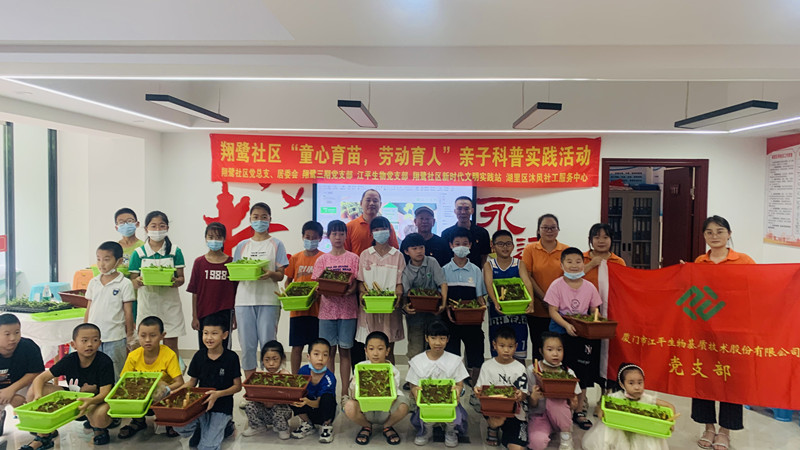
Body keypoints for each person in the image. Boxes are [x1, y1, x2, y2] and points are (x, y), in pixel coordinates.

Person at [692, 215, 753, 450]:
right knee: (703, 376)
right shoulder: (700, 261)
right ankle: (708, 427)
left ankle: (725, 431)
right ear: (704, 236)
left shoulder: (743, 261)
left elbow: (758, 287)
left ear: (729, 234)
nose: (714, 236)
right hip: (705, 328)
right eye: (709, 232)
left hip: (733, 330)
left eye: (719, 231)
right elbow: (694, 294)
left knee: (730, 378)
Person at [27, 324, 115, 447]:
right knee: (33, 391)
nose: (90, 344)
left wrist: (89, 401)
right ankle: (44, 436)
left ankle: (99, 429)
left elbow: (105, 393)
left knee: (100, 416)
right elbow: (40, 378)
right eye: (84, 340)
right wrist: (38, 396)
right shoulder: (70, 360)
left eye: (95, 340)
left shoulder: (104, 361)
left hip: (95, 402)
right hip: (74, 399)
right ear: (73, 344)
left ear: (100, 343)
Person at [544, 247, 602, 431]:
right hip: (560, 334)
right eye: (569, 262)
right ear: (562, 265)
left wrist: (595, 321)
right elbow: (553, 311)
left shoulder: (589, 287)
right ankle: (559, 408)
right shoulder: (556, 285)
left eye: (578, 261)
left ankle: (579, 411)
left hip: (583, 335)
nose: (574, 265)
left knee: (582, 374)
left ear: (583, 264)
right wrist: (567, 326)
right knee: (560, 372)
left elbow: (594, 310)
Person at [232, 202, 289, 383]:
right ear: (250, 219)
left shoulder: (276, 244)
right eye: (256, 217)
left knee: (268, 346)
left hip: (268, 301)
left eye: (264, 217)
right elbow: (235, 273)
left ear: (270, 219)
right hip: (244, 301)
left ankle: (268, 386)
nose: (260, 220)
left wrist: (271, 274)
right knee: (247, 347)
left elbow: (281, 275)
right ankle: (251, 387)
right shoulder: (242, 245)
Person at [173, 314, 242, 450]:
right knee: (179, 424)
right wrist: (175, 393)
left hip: (222, 407)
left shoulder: (231, 357)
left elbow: (237, 386)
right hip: (200, 405)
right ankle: (201, 428)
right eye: (205, 333)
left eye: (214, 333)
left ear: (224, 335)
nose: (209, 338)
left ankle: (226, 426)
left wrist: (218, 394)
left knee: (207, 447)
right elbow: (192, 382)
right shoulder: (199, 356)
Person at [312, 219, 360, 397]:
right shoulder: (322, 259)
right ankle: (329, 390)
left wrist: (351, 290)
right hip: (327, 312)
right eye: (334, 234)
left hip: (348, 312)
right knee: (328, 352)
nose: (338, 237)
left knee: (345, 351)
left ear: (346, 236)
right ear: (329, 236)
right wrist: (322, 289)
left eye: (341, 233)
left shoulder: (354, 258)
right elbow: (317, 285)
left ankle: (345, 392)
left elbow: (356, 283)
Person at [128, 210, 186, 355]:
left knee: (171, 346)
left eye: (162, 226)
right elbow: (133, 281)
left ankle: (172, 370)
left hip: (170, 304)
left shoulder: (175, 251)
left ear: (167, 228)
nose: (158, 229)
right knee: (147, 344)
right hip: (147, 304)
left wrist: (175, 281)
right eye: (153, 226)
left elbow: (181, 278)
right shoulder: (139, 253)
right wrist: (139, 281)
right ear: (146, 229)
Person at [117, 316, 185, 439]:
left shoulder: (169, 355)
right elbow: (123, 381)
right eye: (143, 336)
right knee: (129, 388)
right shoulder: (133, 356)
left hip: (162, 396)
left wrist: (166, 389)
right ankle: (138, 421)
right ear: (138, 335)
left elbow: (179, 382)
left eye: (153, 335)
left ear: (162, 336)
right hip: (141, 394)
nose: (147, 340)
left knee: (162, 385)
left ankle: (169, 421)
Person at [582, 362, 675, 450]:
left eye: (640, 382)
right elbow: (601, 406)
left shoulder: (647, 399)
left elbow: (670, 406)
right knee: (608, 435)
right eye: (631, 383)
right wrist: (600, 411)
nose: (637, 387)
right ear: (622, 384)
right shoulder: (616, 397)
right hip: (619, 430)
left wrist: (671, 423)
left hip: (640, 430)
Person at [406, 320, 470, 447]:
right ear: (426, 338)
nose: (437, 342)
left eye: (442, 338)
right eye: (433, 338)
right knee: (426, 415)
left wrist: (458, 390)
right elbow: (413, 385)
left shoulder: (454, 360)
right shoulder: (418, 361)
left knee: (453, 415)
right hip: (427, 404)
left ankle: (450, 431)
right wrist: (415, 392)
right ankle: (426, 431)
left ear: (447, 339)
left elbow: (460, 385)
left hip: (449, 403)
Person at [582, 223, 626, 397]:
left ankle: (605, 395)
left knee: (607, 355)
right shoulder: (582, 258)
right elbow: (570, 277)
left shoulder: (618, 262)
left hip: (609, 313)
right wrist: (591, 264)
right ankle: (582, 397)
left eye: (605, 237)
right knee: (586, 356)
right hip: (584, 314)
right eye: (597, 237)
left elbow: (624, 287)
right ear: (590, 240)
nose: (601, 241)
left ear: (612, 240)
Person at [344, 331, 411, 446]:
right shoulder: (360, 367)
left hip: (386, 410)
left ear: (387, 351)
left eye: (380, 349)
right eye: (371, 349)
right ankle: (366, 426)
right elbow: (354, 392)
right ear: (366, 351)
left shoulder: (393, 370)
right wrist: (354, 384)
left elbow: (392, 393)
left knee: (404, 405)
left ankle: (387, 426)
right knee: (349, 406)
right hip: (366, 409)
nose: (375, 353)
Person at [521, 214, 569, 367]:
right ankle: (538, 378)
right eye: (545, 227)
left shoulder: (566, 250)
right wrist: (544, 298)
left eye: (553, 227)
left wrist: (553, 301)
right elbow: (527, 276)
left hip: (561, 310)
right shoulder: (530, 249)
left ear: (558, 229)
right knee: (539, 347)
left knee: (559, 349)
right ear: (538, 230)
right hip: (537, 308)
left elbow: (569, 277)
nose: (549, 231)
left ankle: (558, 379)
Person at [356, 216, 406, 363]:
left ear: (389, 231)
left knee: (388, 349)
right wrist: (362, 293)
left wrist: (399, 294)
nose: (380, 232)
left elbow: (400, 283)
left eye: (383, 229)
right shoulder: (365, 254)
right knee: (371, 350)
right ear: (371, 233)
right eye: (376, 229)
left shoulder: (398, 255)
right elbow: (361, 282)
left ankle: (390, 376)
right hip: (370, 309)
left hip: (390, 309)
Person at [442, 227, 486, 386]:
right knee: (451, 356)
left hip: (472, 321)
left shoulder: (476, 270)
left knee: (476, 355)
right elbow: (442, 298)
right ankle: (454, 389)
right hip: (450, 321)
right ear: (451, 245)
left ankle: (475, 388)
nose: (461, 246)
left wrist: (482, 309)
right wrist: (447, 309)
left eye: (465, 243)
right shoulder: (444, 270)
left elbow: (480, 297)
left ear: (470, 246)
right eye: (457, 243)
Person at [84, 241, 135, 379]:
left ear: (119, 261)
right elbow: (89, 308)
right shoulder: (93, 282)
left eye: (106, 259)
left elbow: (128, 312)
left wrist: (130, 335)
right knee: (94, 372)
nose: (101, 264)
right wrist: (84, 329)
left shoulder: (125, 283)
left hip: (115, 337)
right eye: (98, 259)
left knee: (115, 373)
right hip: (94, 337)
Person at [474, 326, 529, 450]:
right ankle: (493, 427)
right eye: (502, 346)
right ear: (494, 345)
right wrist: (478, 391)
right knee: (493, 419)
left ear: (516, 346)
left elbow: (524, 394)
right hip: (493, 409)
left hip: (514, 413)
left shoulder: (519, 368)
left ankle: (506, 430)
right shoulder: (487, 366)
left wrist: (521, 395)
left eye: (510, 346)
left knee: (517, 447)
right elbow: (481, 389)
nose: (506, 350)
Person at [483, 230, 534, 365]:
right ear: (493, 246)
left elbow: (527, 282)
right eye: (500, 244)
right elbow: (489, 284)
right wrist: (495, 302)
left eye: (508, 244)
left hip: (517, 313)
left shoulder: (519, 263)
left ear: (513, 246)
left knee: (519, 353)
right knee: (498, 352)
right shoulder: (489, 265)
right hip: (497, 313)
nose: (505, 247)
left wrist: (531, 302)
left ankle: (520, 378)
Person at [187, 222, 237, 350]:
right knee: (205, 349)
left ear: (224, 239)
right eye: (210, 237)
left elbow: (236, 291)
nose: (214, 240)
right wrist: (194, 316)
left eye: (218, 237)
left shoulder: (232, 263)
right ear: (205, 238)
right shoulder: (199, 262)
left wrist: (235, 316)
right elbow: (194, 291)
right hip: (204, 313)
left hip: (225, 313)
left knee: (224, 349)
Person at [400, 232, 447, 369]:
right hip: (415, 316)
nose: (419, 251)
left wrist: (443, 304)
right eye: (414, 248)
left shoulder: (432, 262)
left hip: (434, 313)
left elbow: (443, 283)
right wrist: (405, 306)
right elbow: (405, 294)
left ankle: (434, 375)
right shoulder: (406, 269)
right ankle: (413, 377)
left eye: (421, 247)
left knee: (434, 346)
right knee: (415, 348)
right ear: (406, 251)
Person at [527, 332, 580, 450]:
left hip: (560, 417)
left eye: (559, 350)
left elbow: (573, 406)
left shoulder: (568, 373)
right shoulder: (532, 370)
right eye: (550, 350)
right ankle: (547, 431)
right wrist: (534, 397)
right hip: (539, 416)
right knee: (537, 444)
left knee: (554, 401)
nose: (555, 354)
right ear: (541, 351)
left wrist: (573, 401)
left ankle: (566, 436)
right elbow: (530, 404)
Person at [285, 220, 325, 373]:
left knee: (315, 348)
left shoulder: (324, 258)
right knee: (297, 347)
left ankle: (315, 376)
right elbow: (288, 281)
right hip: (297, 311)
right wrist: (289, 293)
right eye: (307, 237)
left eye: (314, 237)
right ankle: (295, 377)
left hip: (317, 311)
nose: (310, 240)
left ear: (320, 238)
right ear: (302, 237)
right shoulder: (295, 258)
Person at [0, 314, 44, 439]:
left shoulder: (28, 346)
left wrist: (12, 390)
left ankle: (38, 424)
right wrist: (9, 396)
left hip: (22, 385)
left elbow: (37, 372)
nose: (13, 338)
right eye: (7, 334)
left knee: (41, 390)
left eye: (17, 332)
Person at [242, 341, 294, 439]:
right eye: (267, 360)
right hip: (264, 409)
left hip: (280, 410)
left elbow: (290, 396)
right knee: (249, 406)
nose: (271, 364)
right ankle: (258, 426)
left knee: (279, 410)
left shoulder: (285, 375)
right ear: (262, 360)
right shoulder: (259, 375)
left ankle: (282, 428)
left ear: (282, 359)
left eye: (275, 359)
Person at [291, 338, 337, 443]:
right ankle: (307, 423)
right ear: (308, 356)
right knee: (293, 394)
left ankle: (327, 426)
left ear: (329, 358)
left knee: (327, 398)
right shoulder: (303, 371)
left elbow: (319, 403)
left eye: (325, 355)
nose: (320, 358)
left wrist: (307, 402)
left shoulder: (330, 378)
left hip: (322, 411)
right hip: (308, 409)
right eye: (316, 354)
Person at [345, 189, 399, 256]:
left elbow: (394, 251)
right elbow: (345, 253)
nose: (371, 203)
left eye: (375, 201)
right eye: (368, 200)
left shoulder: (387, 226)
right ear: (361, 203)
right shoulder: (349, 227)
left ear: (380, 204)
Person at [441, 196, 491, 269]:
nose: (463, 212)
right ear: (455, 211)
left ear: (472, 211)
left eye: (466, 209)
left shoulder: (482, 233)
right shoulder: (446, 234)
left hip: (475, 273)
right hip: (451, 273)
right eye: (459, 208)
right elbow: (444, 257)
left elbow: (484, 258)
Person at [114, 207, 144, 324]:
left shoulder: (143, 247)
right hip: (118, 297)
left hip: (137, 296)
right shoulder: (114, 248)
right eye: (121, 222)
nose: (126, 225)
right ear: (116, 227)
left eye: (130, 221)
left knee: (136, 328)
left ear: (137, 224)